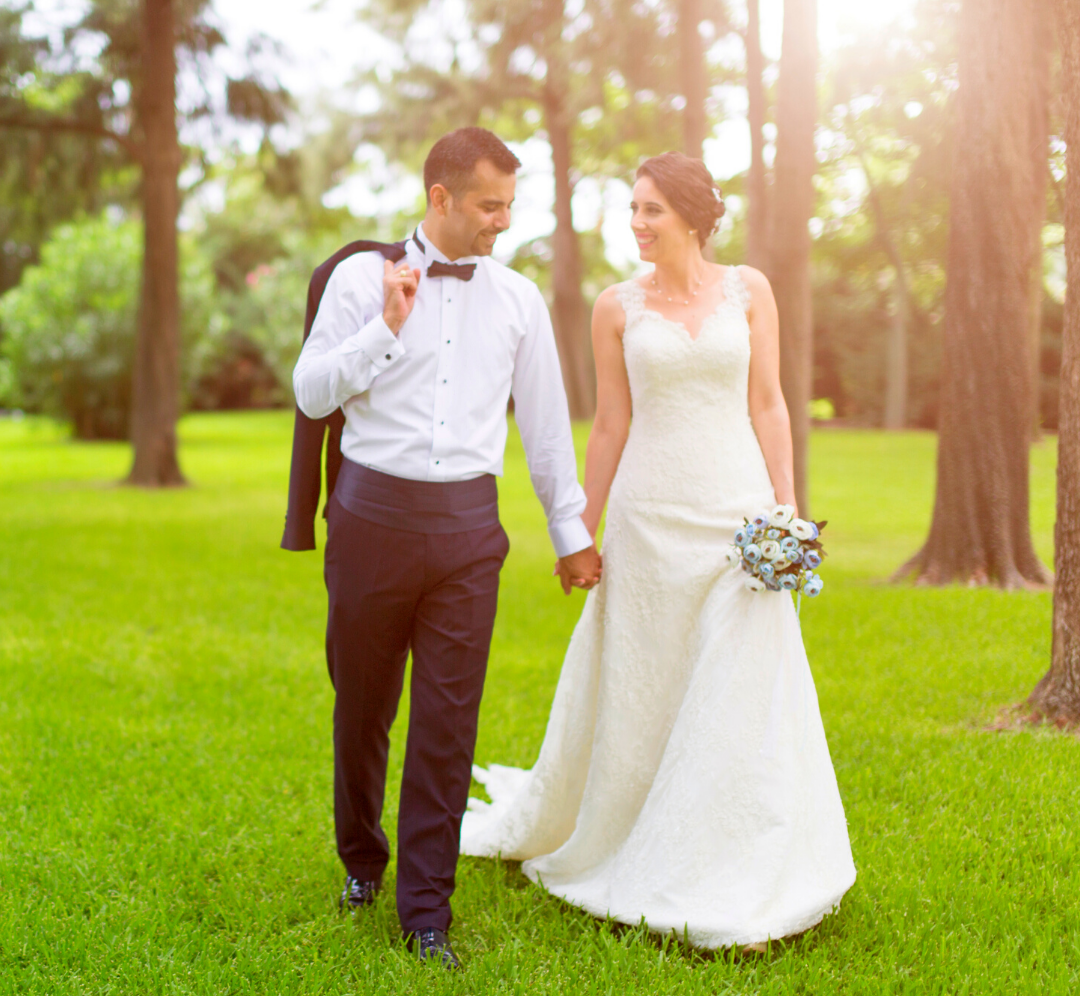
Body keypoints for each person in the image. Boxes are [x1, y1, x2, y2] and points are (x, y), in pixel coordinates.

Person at [461, 151, 856, 949]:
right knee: (648, 681)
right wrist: (580, 533)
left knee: (742, 680)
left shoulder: (751, 291)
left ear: (692, 217)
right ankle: (625, 832)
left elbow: (770, 402)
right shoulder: (615, 306)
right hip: (648, 519)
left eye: (651, 211)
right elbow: (610, 426)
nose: (637, 225)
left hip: (736, 517)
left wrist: (788, 512)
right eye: (632, 210)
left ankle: (744, 854)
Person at [288, 127, 601, 970]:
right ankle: (362, 860)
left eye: (509, 204)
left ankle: (425, 908)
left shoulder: (518, 300)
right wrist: (385, 328)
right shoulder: (360, 279)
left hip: (468, 534)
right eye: (489, 204)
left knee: (447, 724)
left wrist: (570, 534)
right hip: (370, 522)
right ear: (441, 199)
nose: (503, 220)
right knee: (362, 706)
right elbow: (311, 390)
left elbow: (543, 430)